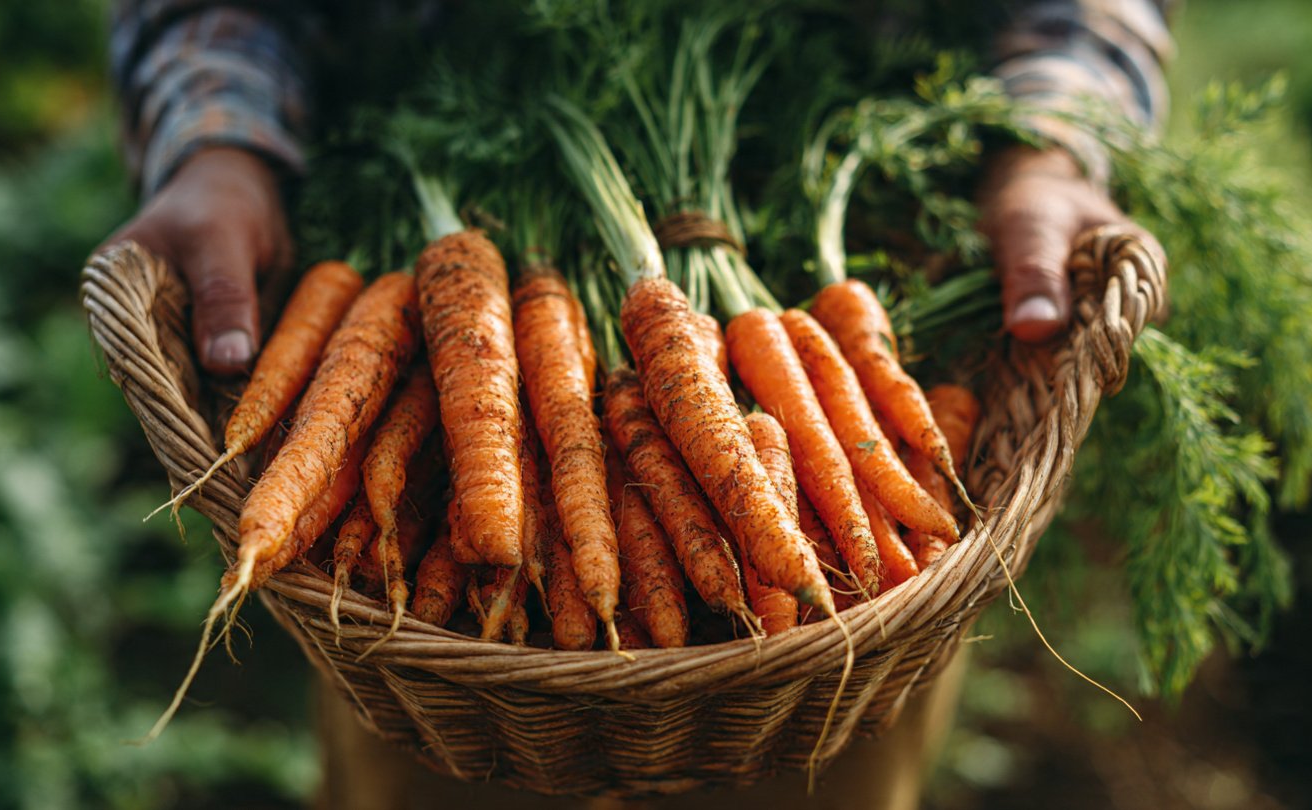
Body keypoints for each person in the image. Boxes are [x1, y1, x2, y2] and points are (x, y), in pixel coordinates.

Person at [101, 2, 1170, 807]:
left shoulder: (740, 350)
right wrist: (217, 135)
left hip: (836, 655)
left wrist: (1049, 138)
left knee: (825, 737)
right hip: (430, 667)